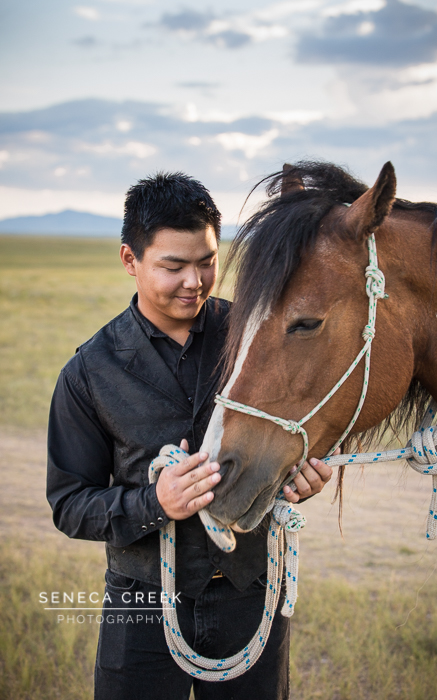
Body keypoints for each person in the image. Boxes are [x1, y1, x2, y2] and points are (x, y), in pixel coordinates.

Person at [47, 172, 332, 700]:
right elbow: (69, 504)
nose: (195, 281)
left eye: (206, 261)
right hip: (142, 600)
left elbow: (291, 432)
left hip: (249, 592)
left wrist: (300, 474)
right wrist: (155, 501)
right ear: (130, 260)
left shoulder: (256, 336)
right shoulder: (88, 372)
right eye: (173, 266)